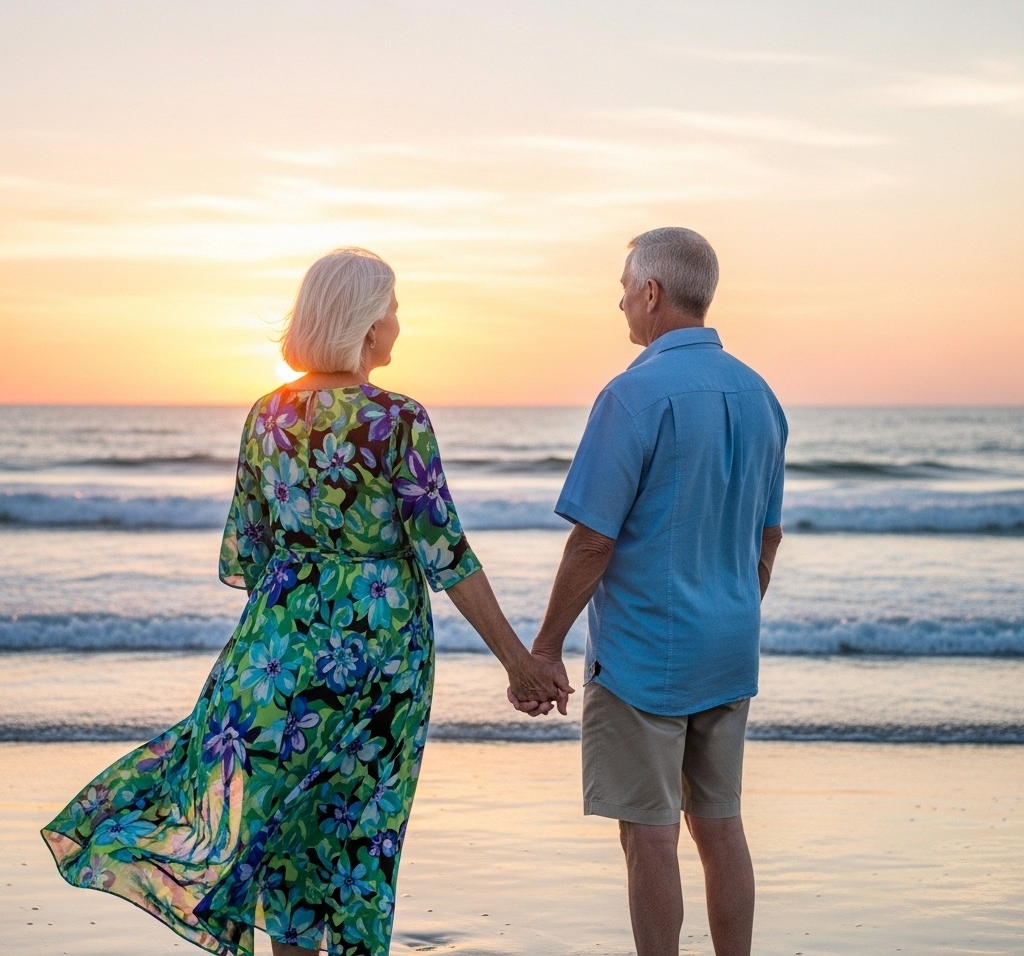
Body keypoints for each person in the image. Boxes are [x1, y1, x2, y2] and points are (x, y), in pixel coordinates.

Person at [41, 246, 569, 956]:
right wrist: (518, 662)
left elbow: (247, 554)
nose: (398, 327)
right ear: (366, 324)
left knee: (286, 843)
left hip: (277, 652)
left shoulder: (268, 415)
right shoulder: (397, 419)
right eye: (393, 311)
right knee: (356, 839)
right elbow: (446, 554)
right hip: (378, 663)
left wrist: (302, 601)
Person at [512, 227, 786, 956]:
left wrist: (543, 648)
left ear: (653, 292)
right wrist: (732, 609)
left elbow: (594, 540)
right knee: (720, 824)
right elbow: (768, 538)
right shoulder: (761, 396)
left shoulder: (632, 395)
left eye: (626, 287)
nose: (621, 301)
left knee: (651, 834)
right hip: (729, 647)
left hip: (644, 659)